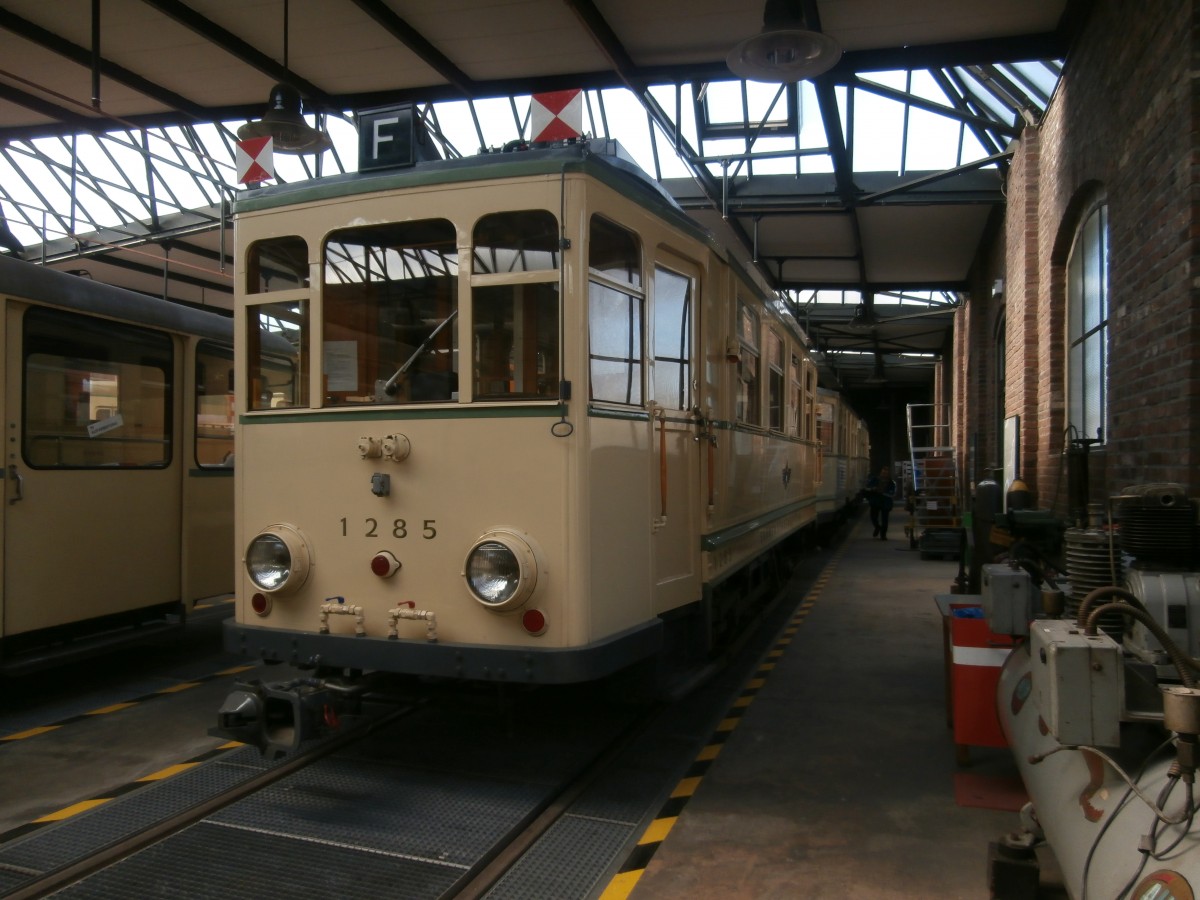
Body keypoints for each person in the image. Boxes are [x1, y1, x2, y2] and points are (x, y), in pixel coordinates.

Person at [866, 465, 897, 540]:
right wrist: (873, 489)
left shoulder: (891, 482)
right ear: (880, 473)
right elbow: (868, 487)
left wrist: (883, 492)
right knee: (873, 517)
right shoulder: (875, 479)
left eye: (886, 473)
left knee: (885, 519)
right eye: (883, 473)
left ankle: (883, 535)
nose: (884, 474)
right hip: (875, 501)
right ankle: (877, 527)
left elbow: (892, 493)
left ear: (888, 474)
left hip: (885, 503)